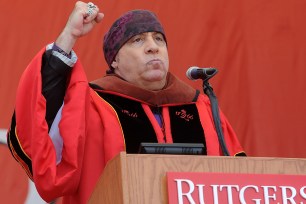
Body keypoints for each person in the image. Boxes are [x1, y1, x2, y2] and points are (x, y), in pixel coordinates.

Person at [7, 1, 246, 203]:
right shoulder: (91, 105)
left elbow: (240, 182)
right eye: (138, 40)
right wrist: (68, 36)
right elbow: (35, 124)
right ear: (115, 61)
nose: (153, 48)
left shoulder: (200, 107)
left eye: (159, 39)